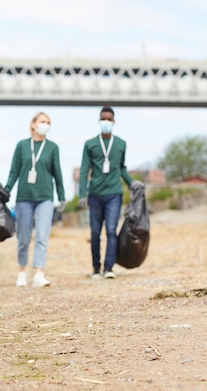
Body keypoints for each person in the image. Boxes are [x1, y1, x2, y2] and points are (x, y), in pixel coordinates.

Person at [3, 111, 66, 288]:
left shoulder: (52, 147)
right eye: (42, 121)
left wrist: (61, 197)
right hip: (24, 197)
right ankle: (22, 271)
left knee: (41, 236)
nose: (45, 124)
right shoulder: (22, 146)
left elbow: (58, 174)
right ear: (33, 124)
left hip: (45, 197)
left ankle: (39, 273)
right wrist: (6, 191)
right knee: (23, 237)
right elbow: (14, 172)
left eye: (47, 122)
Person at [78, 106, 141, 279]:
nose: (106, 122)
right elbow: (84, 170)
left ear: (113, 122)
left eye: (109, 119)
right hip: (95, 194)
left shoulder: (120, 144)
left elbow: (122, 168)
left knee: (112, 231)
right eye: (103, 119)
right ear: (99, 121)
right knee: (95, 233)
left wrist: (132, 182)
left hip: (114, 193)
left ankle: (109, 268)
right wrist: (82, 193)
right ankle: (96, 268)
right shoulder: (90, 144)